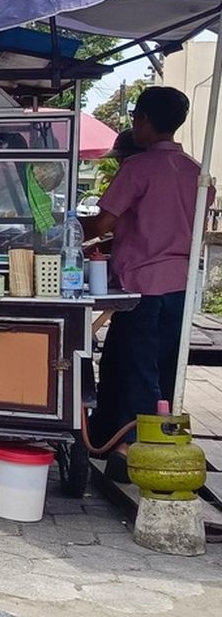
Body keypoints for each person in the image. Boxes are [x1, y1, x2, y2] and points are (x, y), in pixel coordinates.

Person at [82, 88, 214, 470]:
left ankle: (129, 452)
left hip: (143, 286)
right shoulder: (196, 172)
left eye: (136, 117)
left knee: (134, 367)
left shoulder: (138, 169)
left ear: (143, 120)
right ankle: (112, 435)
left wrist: (69, 229)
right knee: (159, 365)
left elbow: (104, 223)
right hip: (181, 285)